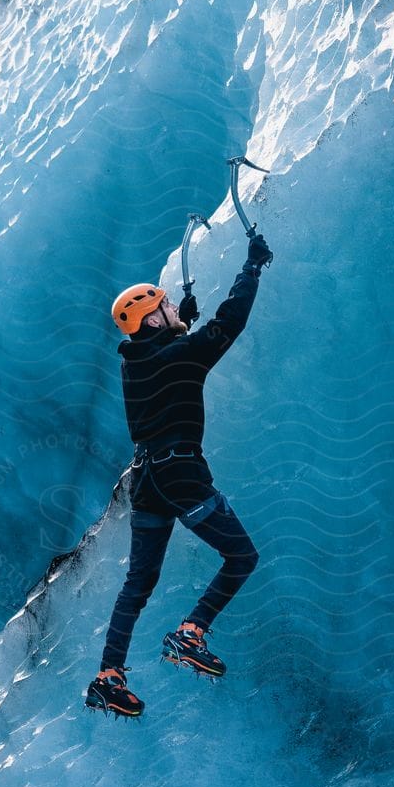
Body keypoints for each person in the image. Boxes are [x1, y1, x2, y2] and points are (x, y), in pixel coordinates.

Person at [85, 230, 274, 718]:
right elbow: (227, 325)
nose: (173, 309)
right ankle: (191, 633)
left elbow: (162, 350)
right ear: (151, 318)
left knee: (138, 584)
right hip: (181, 474)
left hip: (146, 480)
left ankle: (109, 676)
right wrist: (250, 268)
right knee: (242, 556)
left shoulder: (135, 362)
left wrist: (177, 319)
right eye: (165, 306)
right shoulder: (177, 357)